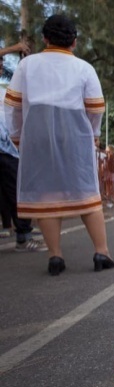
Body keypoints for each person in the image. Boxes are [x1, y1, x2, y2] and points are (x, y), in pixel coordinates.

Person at [4, 15, 114, 274]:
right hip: (75, 134)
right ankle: (101, 252)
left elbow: (12, 106)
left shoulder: (27, 65)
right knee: (86, 192)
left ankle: (55, 256)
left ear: (45, 38)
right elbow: (95, 108)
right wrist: (93, 134)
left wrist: (19, 136)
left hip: (38, 134)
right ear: (74, 42)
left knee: (45, 193)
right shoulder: (84, 68)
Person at [0, 40, 47, 252]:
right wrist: (13, 48)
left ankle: (23, 236)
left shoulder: (4, 90)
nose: (1, 64)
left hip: (7, 149)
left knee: (14, 191)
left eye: (2, 61)